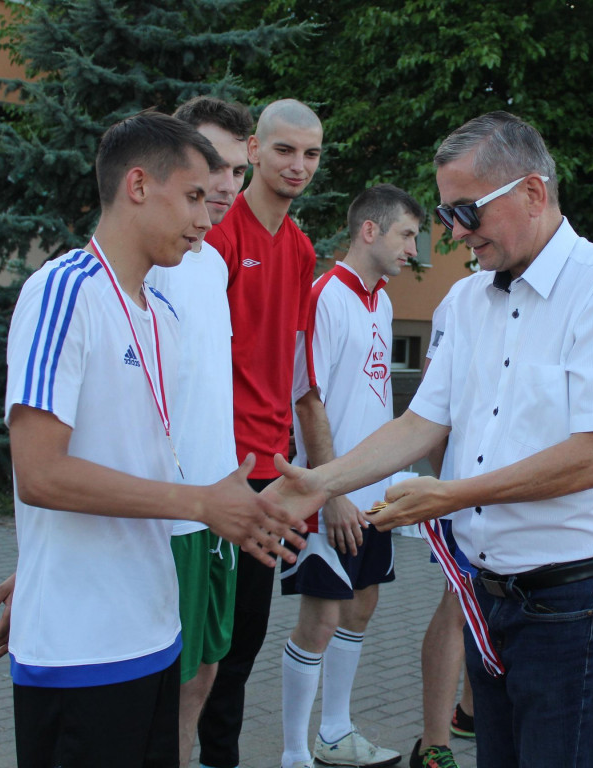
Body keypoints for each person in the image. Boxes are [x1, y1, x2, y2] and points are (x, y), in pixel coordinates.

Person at [265, 111, 593, 768]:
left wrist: (449, 494)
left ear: (532, 193)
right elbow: (421, 422)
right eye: (447, 213)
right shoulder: (470, 300)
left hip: (571, 601)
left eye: (465, 211)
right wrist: (319, 483)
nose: (451, 232)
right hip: (489, 592)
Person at [3, 110, 303, 768]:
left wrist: (231, 505)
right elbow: (40, 475)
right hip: (81, 650)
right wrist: (199, 503)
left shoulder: (159, 313)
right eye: (195, 196)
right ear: (138, 185)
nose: (208, 216)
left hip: (153, 634)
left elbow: (127, 463)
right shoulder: (63, 293)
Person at [197, 98, 324, 768]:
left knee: (242, 642)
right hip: (221, 473)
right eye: (284, 151)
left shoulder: (301, 248)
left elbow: (294, 366)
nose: (298, 165)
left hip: (274, 470)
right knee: (206, 645)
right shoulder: (218, 238)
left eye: (310, 154)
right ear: (253, 150)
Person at [279, 184, 423, 768]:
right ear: (370, 230)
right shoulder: (323, 296)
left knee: (361, 606)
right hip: (328, 495)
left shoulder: (382, 300)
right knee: (320, 618)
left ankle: (335, 733)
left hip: (373, 495)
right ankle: (293, 754)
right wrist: (330, 489)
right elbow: (307, 399)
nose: (414, 248)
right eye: (407, 235)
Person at [146, 96, 253, 768]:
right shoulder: (150, 263)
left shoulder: (211, 263)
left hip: (221, 506)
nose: (224, 184)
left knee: (208, 671)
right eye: (212, 165)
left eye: (238, 171)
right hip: (169, 516)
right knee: (166, 681)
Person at [411, 275, 477, 768]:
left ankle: (473, 714)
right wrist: (445, 482)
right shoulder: (461, 297)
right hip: (465, 489)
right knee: (459, 604)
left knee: (492, 608)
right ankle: (433, 743)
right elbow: (430, 405)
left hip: (518, 493)